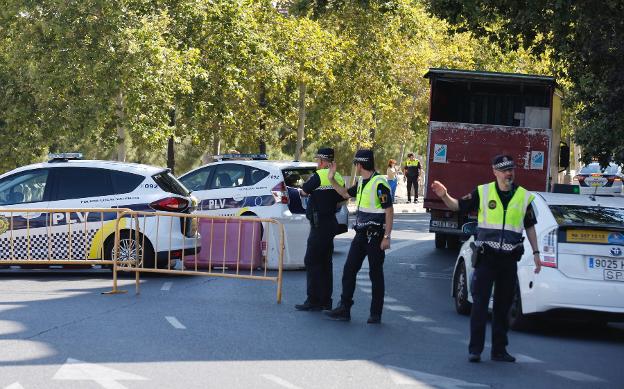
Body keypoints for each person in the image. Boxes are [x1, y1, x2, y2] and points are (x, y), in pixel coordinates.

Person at [431, 154, 542, 363]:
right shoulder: (483, 192)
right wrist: (444, 195)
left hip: (509, 260)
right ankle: (475, 350)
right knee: (480, 304)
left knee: (503, 306)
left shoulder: (523, 197)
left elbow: (530, 227)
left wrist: (536, 253)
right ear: (495, 172)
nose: (509, 173)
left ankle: (499, 350)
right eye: (504, 170)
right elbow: (457, 206)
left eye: (511, 169)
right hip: (486, 258)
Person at [324, 149, 394, 324]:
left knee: (375, 275)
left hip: (376, 236)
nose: (355, 167)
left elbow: (389, 210)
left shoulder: (379, 183)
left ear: (360, 164)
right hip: (361, 235)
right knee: (349, 270)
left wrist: (387, 236)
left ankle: (375, 314)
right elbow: (345, 193)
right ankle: (344, 308)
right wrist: (331, 179)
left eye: (356, 164)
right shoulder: (362, 183)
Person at [294, 148, 345, 311]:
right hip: (331, 223)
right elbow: (341, 200)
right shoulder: (338, 177)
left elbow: (303, 191)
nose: (317, 163)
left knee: (311, 260)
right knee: (325, 262)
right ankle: (325, 300)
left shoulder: (318, 176)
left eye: (318, 160)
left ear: (323, 161)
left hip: (318, 225)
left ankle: (313, 299)